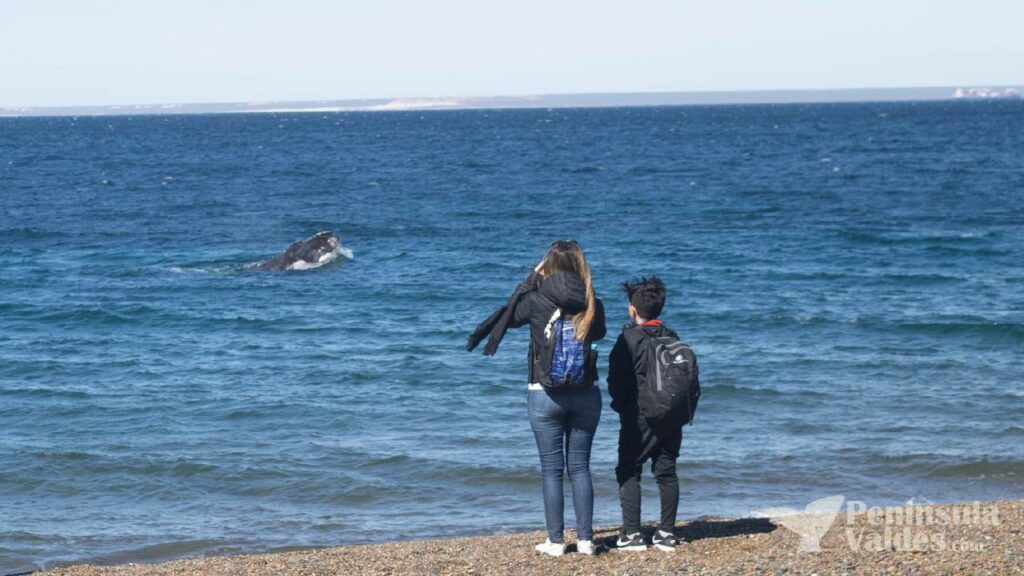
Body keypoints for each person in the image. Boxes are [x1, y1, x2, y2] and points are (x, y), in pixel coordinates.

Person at [467, 240, 606, 556]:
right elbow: (598, 334)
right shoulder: (593, 301)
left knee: (551, 469)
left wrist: (533, 276)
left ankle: (556, 542)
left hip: (545, 393)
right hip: (586, 393)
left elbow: (510, 312)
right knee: (581, 468)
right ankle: (586, 540)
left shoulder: (536, 300)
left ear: (548, 265)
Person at [607, 275, 698, 552]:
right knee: (667, 470)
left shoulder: (628, 339)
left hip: (641, 415)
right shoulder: (672, 336)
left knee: (628, 469)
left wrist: (621, 408)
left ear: (632, 309)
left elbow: (616, 382)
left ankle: (633, 534)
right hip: (673, 412)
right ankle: (666, 532)